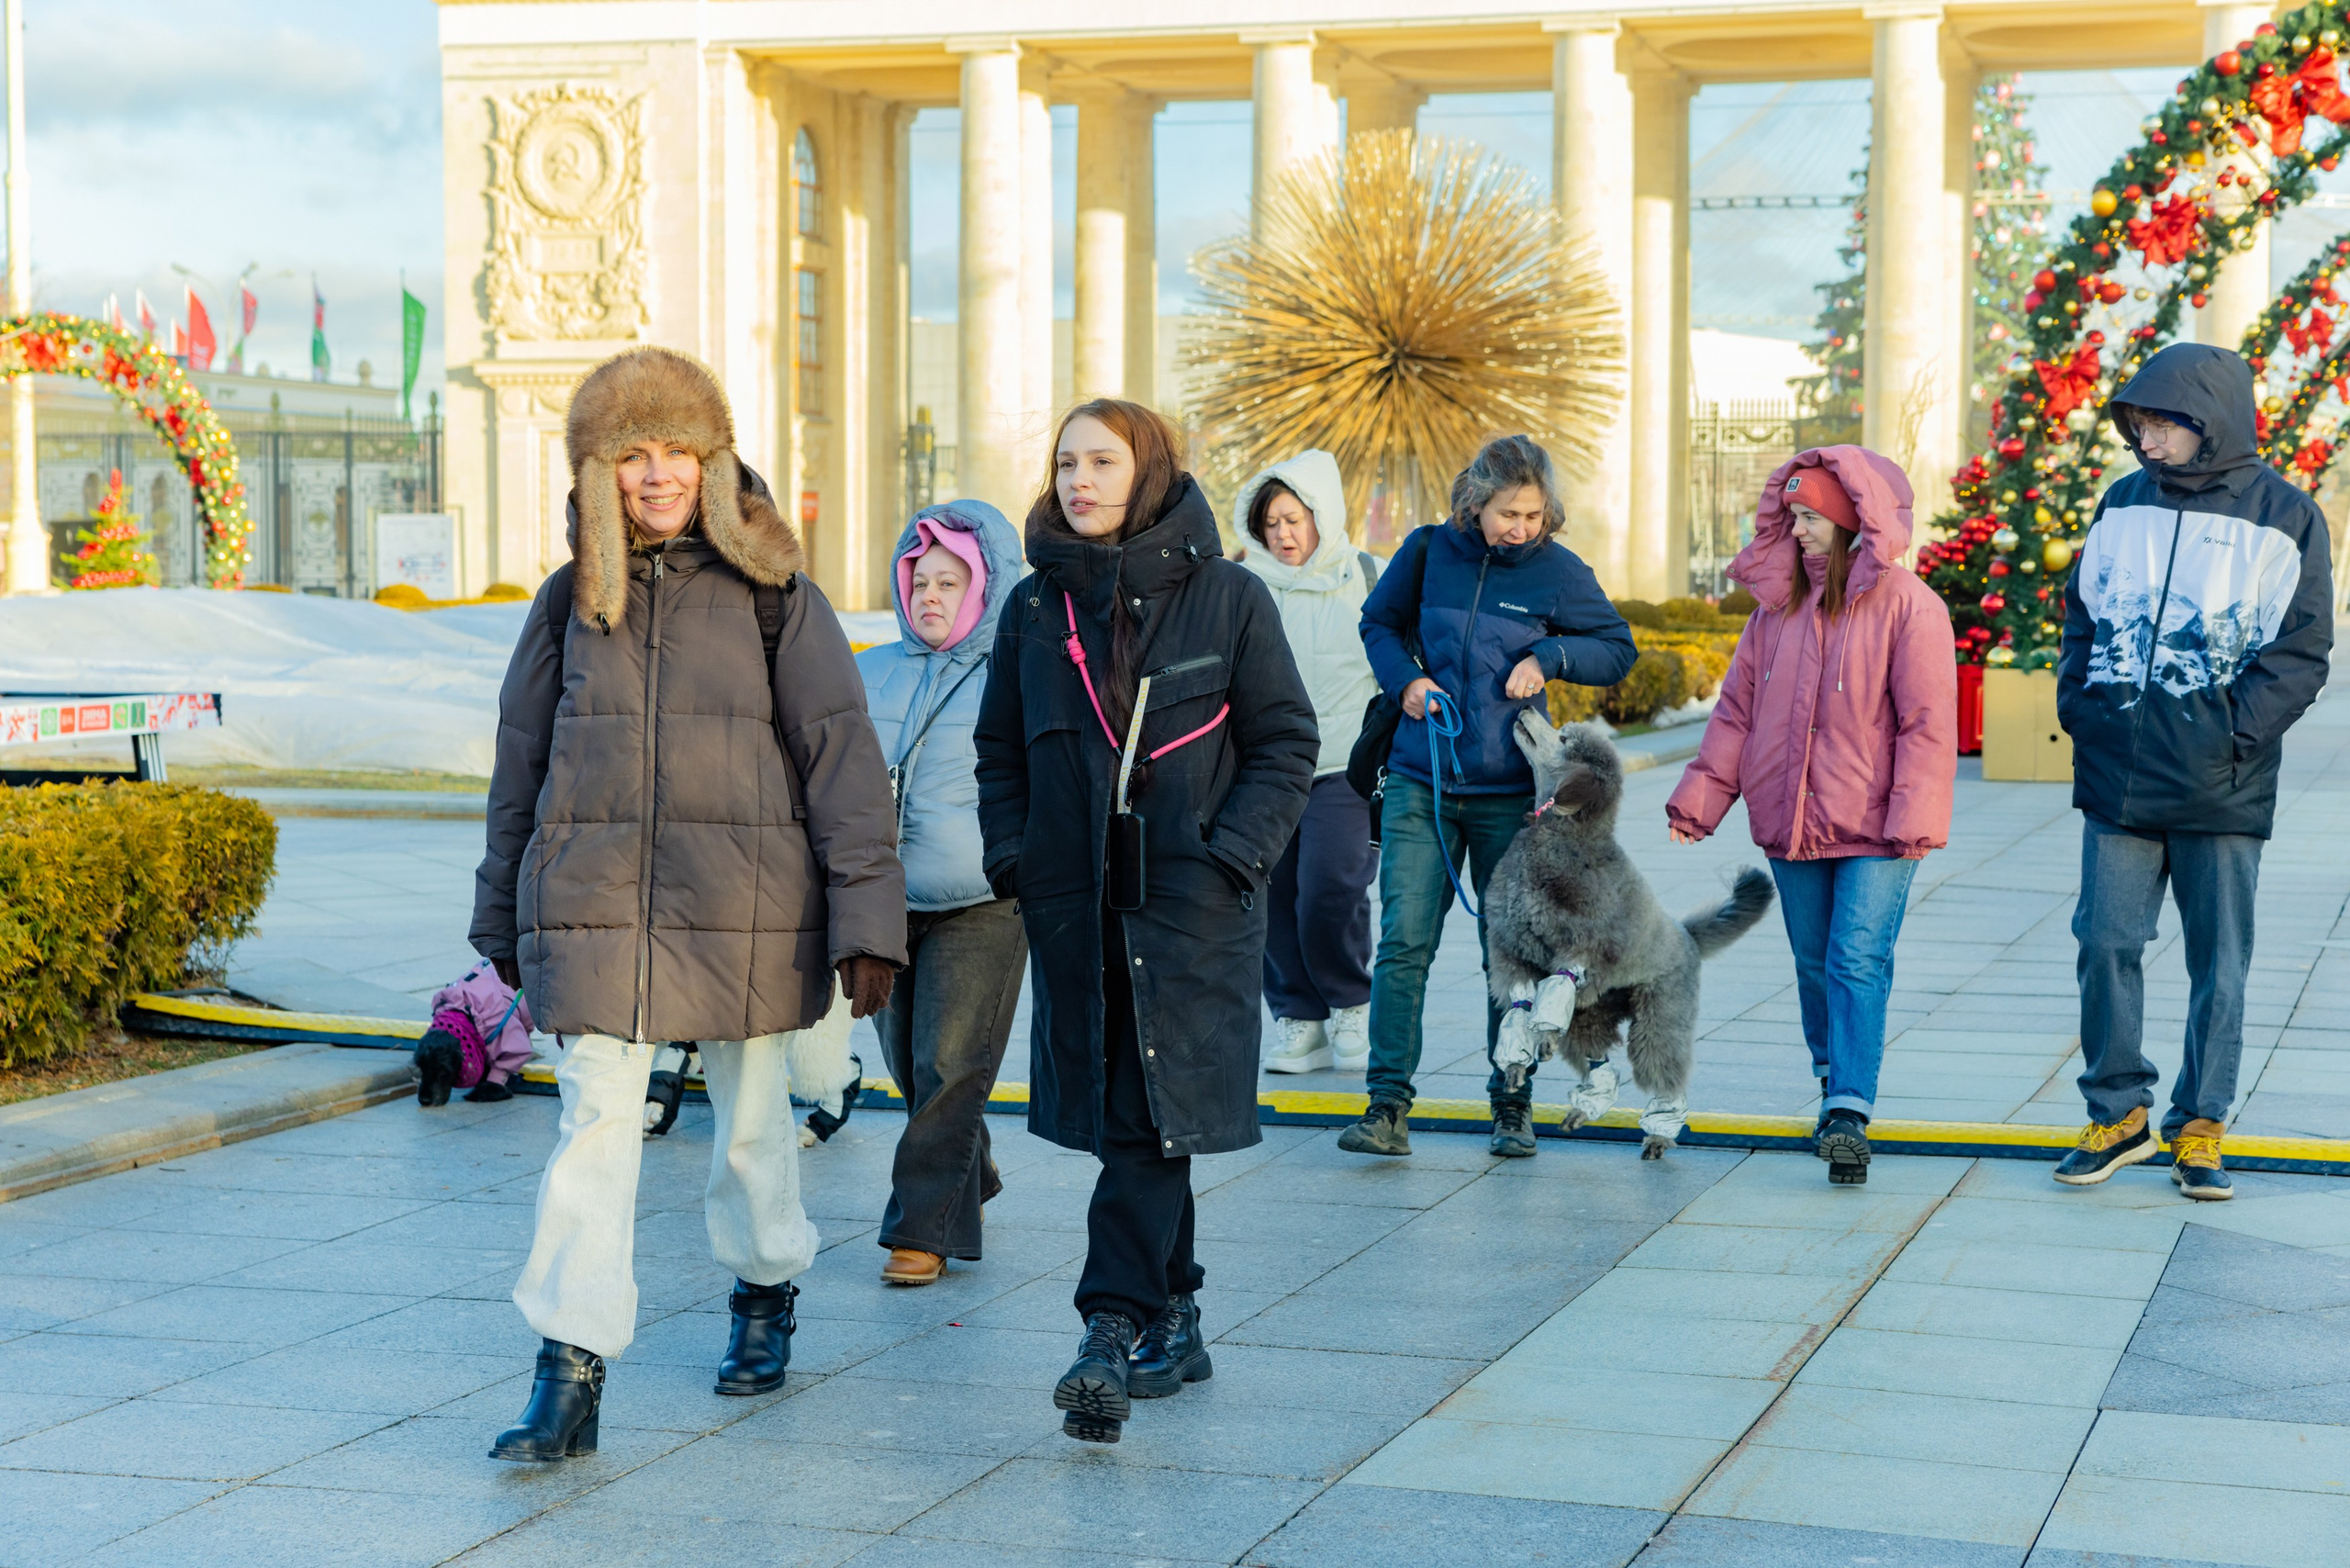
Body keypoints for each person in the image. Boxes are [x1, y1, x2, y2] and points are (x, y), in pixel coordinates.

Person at [470, 347, 906, 1462]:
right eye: (631, 455)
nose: (655, 476)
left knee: (752, 1134)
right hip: (599, 906)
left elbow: (840, 758)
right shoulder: (570, 603)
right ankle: (568, 1372)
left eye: (676, 452)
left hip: (751, 909)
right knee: (592, 1134)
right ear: (596, 471)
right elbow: (522, 759)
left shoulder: (775, 597)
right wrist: (498, 914)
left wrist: (867, 916)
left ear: (710, 462)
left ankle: (765, 1289)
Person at [972, 398, 1315, 1444]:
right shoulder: (1034, 609)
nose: (1078, 480)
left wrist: (1229, 858)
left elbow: (1286, 741)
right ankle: (1178, 1310)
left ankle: (1109, 1327)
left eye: (1102, 461)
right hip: (1077, 910)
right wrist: (1016, 859)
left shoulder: (1229, 598)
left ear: (1150, 471)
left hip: (1190, 910)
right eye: (1065, 462)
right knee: (1146, 1112)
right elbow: (998, 754)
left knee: (1142, 1115)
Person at [2050, 342, 2333, 1200]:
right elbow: (2083, 619)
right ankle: (2118, 1115)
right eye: (2137, 420)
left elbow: (2302, 649)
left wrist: (2231, 738)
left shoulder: (2287, 514)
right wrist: (2084, 713)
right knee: (2104, 945)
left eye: (2161, 420)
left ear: (2209, 419)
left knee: (2220, 961)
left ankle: (2201, 1124)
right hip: (2121, 778)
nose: (2145, 436)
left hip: (2223, 785)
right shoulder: (2121, 502)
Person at [1337, 434, 1636, 1160]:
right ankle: (1386, 1107)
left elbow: (1617, 647)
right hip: (1421, 780)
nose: (1521, 528)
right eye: (1508, 513)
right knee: (1406, 942)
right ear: (1476, 501)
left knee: (1510, 954)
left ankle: (1511, 1106)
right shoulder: (1426, 550)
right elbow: (1376, 624)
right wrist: (1405, 680)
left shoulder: (1559, 572)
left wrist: (1551, 655)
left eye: (1533, 514)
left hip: (1511, 796)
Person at [1664, 448, 1956, 1185]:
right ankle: (1833, 1080)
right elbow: (1736, 714)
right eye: (1789, 515)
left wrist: (1914, 818)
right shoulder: (1776, 613)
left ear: (1853, 518)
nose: (1795, 530)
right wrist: (1701, 801)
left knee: (1858, 956)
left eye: (1810, 516)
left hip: (1879, 827)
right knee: (1813, 962)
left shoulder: (1908, 605)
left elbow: (1927, 723)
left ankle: (1850, 1110)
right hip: (1792, 822)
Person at [857, 499, 1029, 1284]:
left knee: (953, 1062)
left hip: (984, 900)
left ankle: (919, 1230)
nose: (930, 595)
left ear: (987, 589)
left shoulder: (1021, 674)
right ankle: (973, 1173)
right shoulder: (869, 670)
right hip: (888, 902)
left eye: (950, 582)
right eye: (919, 579)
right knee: (911, 1064)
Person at [1233, 452, 1382, 1073]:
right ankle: (1299, 1019)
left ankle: (1350, 1001)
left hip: (1344, 768)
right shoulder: (1245, 588)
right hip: (1266, 772)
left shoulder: (1369, 576)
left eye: (1294, 519)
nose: (1283, 535)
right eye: (1270, 524)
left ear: (1322, 514)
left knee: (1332, 887)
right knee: (1274, 895)